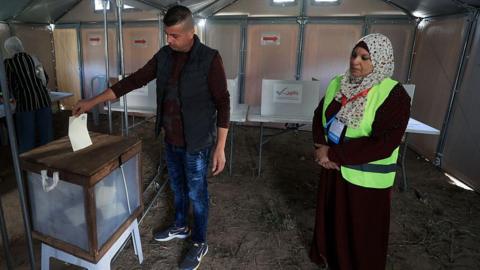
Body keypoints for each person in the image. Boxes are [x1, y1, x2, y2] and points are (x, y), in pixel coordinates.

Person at [73, 5, 230, 270]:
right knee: (177, 187)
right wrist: (92, 102)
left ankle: (199, 241)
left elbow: (223, 103)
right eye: (166, 34)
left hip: (197, 142)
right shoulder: (165, 56)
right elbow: (132, 81)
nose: (168, 40)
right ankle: (181, 225)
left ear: (192, 32)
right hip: (171, 139)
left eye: (174, 36)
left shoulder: (209, 58)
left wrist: (221, 148)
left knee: (197, 193)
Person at [310, 33, 411, 270]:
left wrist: (333, 154)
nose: (356, 61)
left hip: (366, 180)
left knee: (360, 232)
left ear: (381, 61)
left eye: (365, 57)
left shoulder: (394, 94)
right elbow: (319, 114)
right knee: (334, 222)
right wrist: (319, 147)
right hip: (334, 171)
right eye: (354, 55)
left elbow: (385, 142)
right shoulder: (340, 82)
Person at [4, 36, 53, 153]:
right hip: (43, 100)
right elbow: (45, 78)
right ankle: (48, 161)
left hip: (26, 104)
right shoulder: (33, 58)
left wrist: (10, 97)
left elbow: (8, 84)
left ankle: (28, 166)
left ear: (8, 49)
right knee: (46, 135)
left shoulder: (9, 63)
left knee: (27, 137)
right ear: (21, 46)